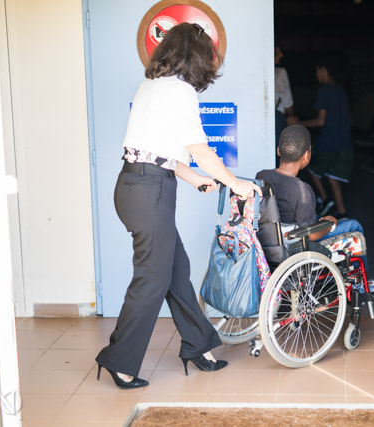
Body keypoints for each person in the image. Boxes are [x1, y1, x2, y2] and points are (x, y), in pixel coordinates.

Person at [95, 23, 261, 389]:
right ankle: (118, 360)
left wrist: (196, 179)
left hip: (133, 185)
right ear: (197, 57)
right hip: (151, 191)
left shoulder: (150, 86)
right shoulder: (181, 91)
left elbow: (156, 151)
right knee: (152, 279)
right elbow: (200, 149)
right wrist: (236, 184)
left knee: (175, 270)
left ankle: (198, 346)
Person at [256, 125, 374, 291]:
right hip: (294, 245)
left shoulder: (262, 176)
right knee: (354, 225)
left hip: (271, 241)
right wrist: (330, 224)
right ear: (307, 155)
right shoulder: (302, 190)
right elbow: (312, 235)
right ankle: (360, 282)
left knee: (315, 216)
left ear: (279, 151)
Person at [289, 59, 353, 219]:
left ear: (323, 70)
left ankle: (325, 199)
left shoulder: (324, 92)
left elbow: (320, 121)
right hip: (344, 141)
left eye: (317, 71)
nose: (316, 75)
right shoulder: (341, 92)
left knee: (311, 167)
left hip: (328, 141)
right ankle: (342, 212)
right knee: (333, 176)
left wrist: (299, 123)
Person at [274, 41, 294, 165]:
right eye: (278, 52)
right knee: (278, 160)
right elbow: (288, 105)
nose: (281, 55)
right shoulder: (280, 73)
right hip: (277, 122)